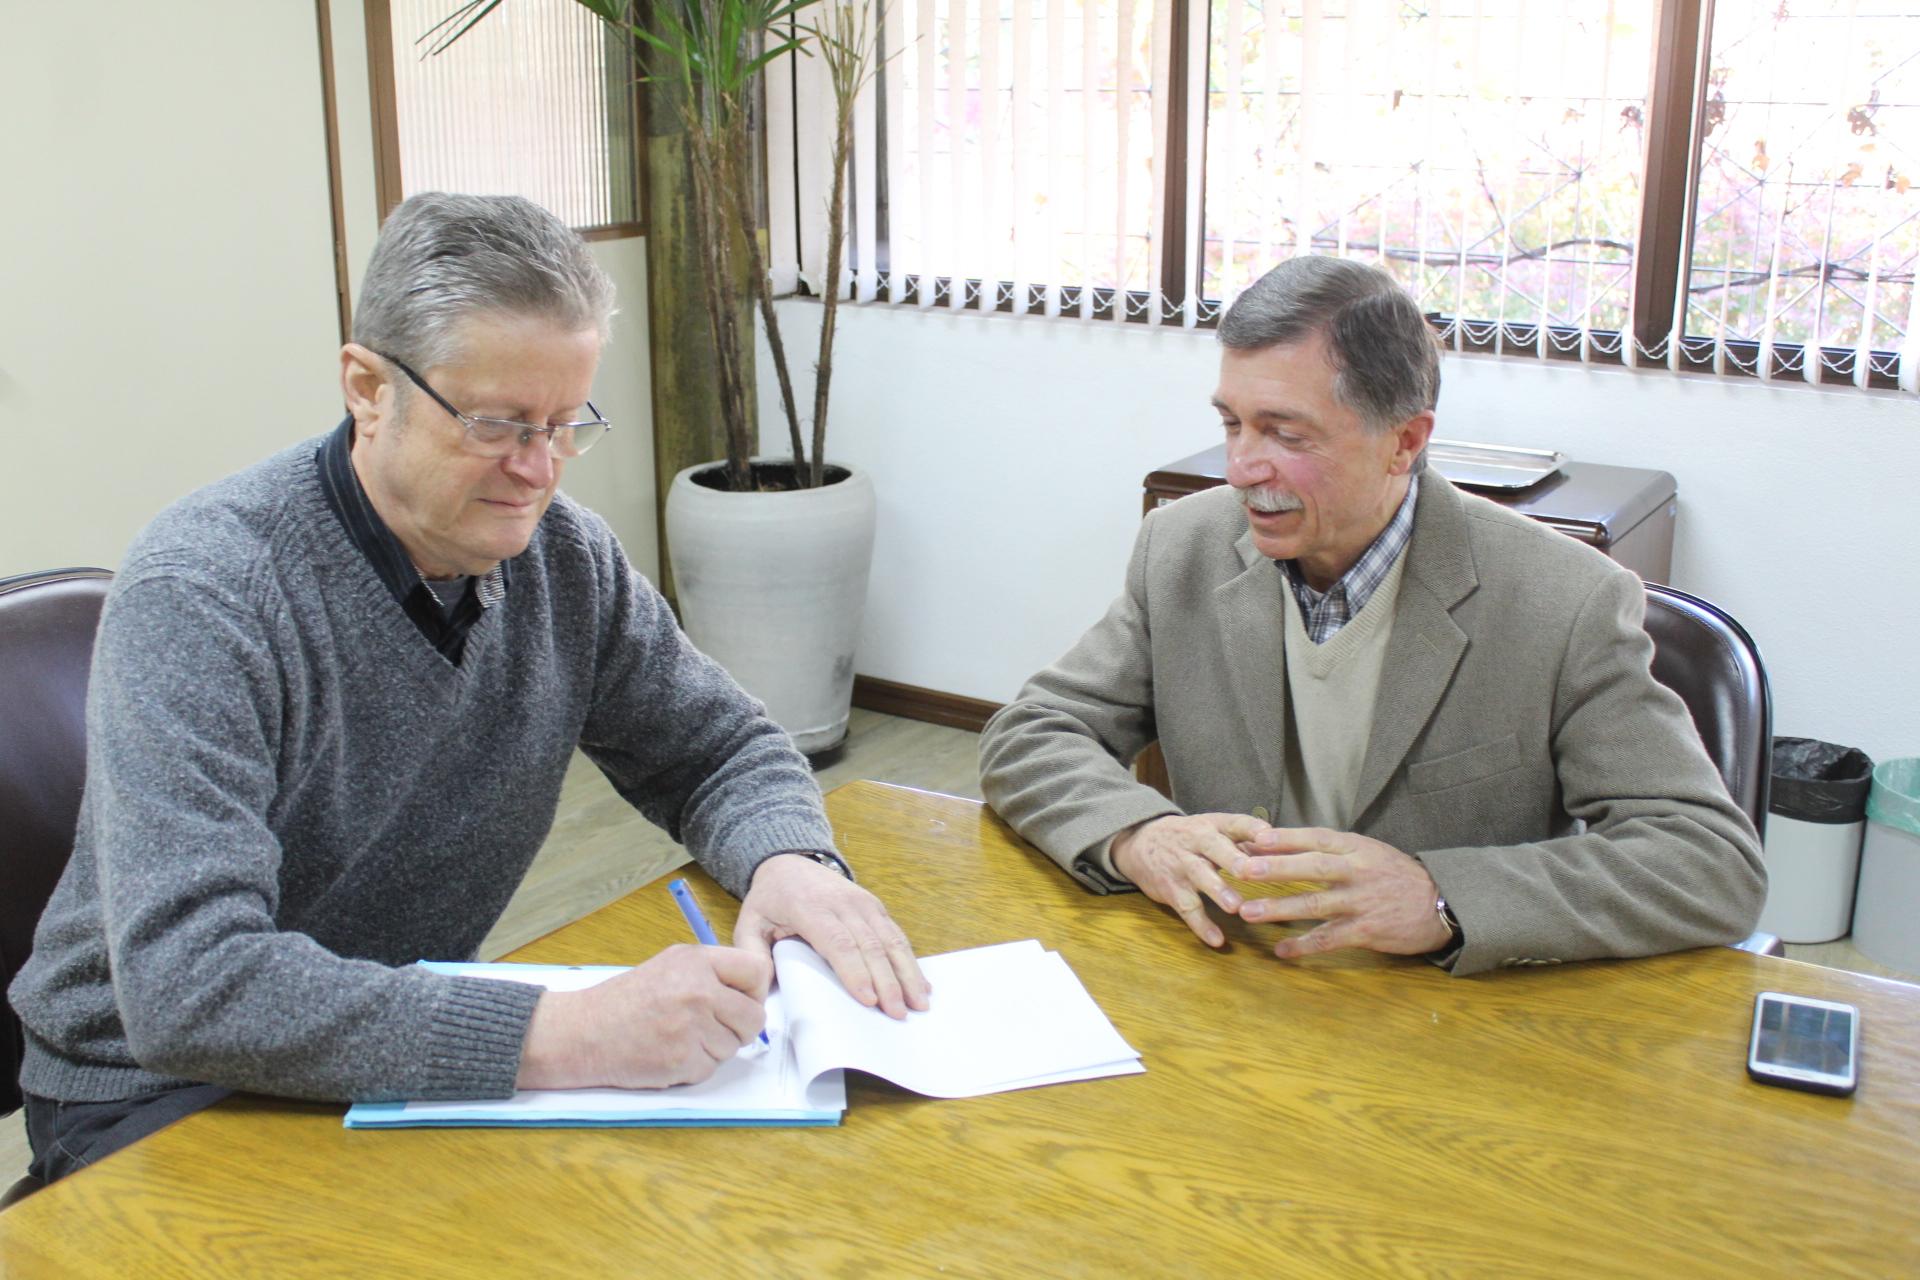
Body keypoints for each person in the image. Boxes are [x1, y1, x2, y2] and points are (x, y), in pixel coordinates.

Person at [9, 193, 928, 1184]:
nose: (538, 470)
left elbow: (717, 747)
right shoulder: (207, 590)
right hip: (156, 1091)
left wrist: (790, 859)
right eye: (498, 424)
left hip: (392, 1048)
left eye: (566, 423)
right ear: (367, 386)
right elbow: (191, 984)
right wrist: (571, 1032)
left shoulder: (564, 561)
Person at [979, 255, 1764, 974]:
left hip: (1439, 1019)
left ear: (1404, 442)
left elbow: (1708, 863)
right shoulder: (1182, 547)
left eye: (1285, 433)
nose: (1242, 467)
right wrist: (1135, 835)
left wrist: (1439, 894)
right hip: (1230, 986)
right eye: (1232, 423)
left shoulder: (1564, 600)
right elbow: (1033, 732)